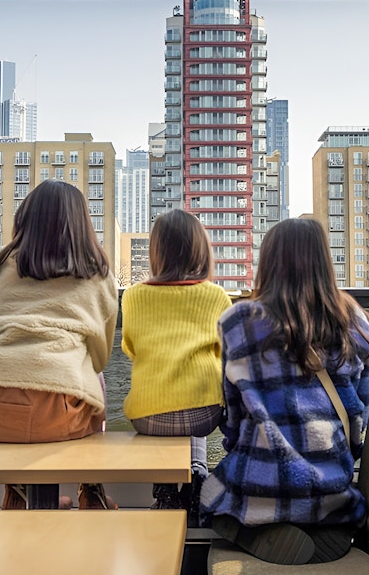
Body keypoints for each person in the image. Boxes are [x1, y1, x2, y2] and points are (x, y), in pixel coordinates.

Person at [200, 217, 369, 564]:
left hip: (258, 483)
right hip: (330, 490)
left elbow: (233, 413)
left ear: (268, 263)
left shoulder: (239, 322)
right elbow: (361, 413)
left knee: (209, 497)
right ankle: (323, 528)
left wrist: (237, 446)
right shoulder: (358, 323)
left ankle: (257, 527)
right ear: (324, 263)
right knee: (333, 503)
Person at [0, 179, 119, 510]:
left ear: (25, 217)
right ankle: (91, 489)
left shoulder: (1, 262)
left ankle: (18, 492)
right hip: (56, 411)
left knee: (15, 376)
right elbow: (100, 354)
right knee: (94, 379)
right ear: (81, 224)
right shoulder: (98, 271)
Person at [121, 209, 232, 525]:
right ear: (201, 250)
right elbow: (225, 355)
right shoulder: (216, 296)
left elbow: (130, 347)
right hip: (204, 413)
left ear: (156, 251)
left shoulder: (133, 296)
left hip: (146, 416)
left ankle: (166, 491)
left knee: (168, 401)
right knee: (195, 400)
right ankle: (197, 474)